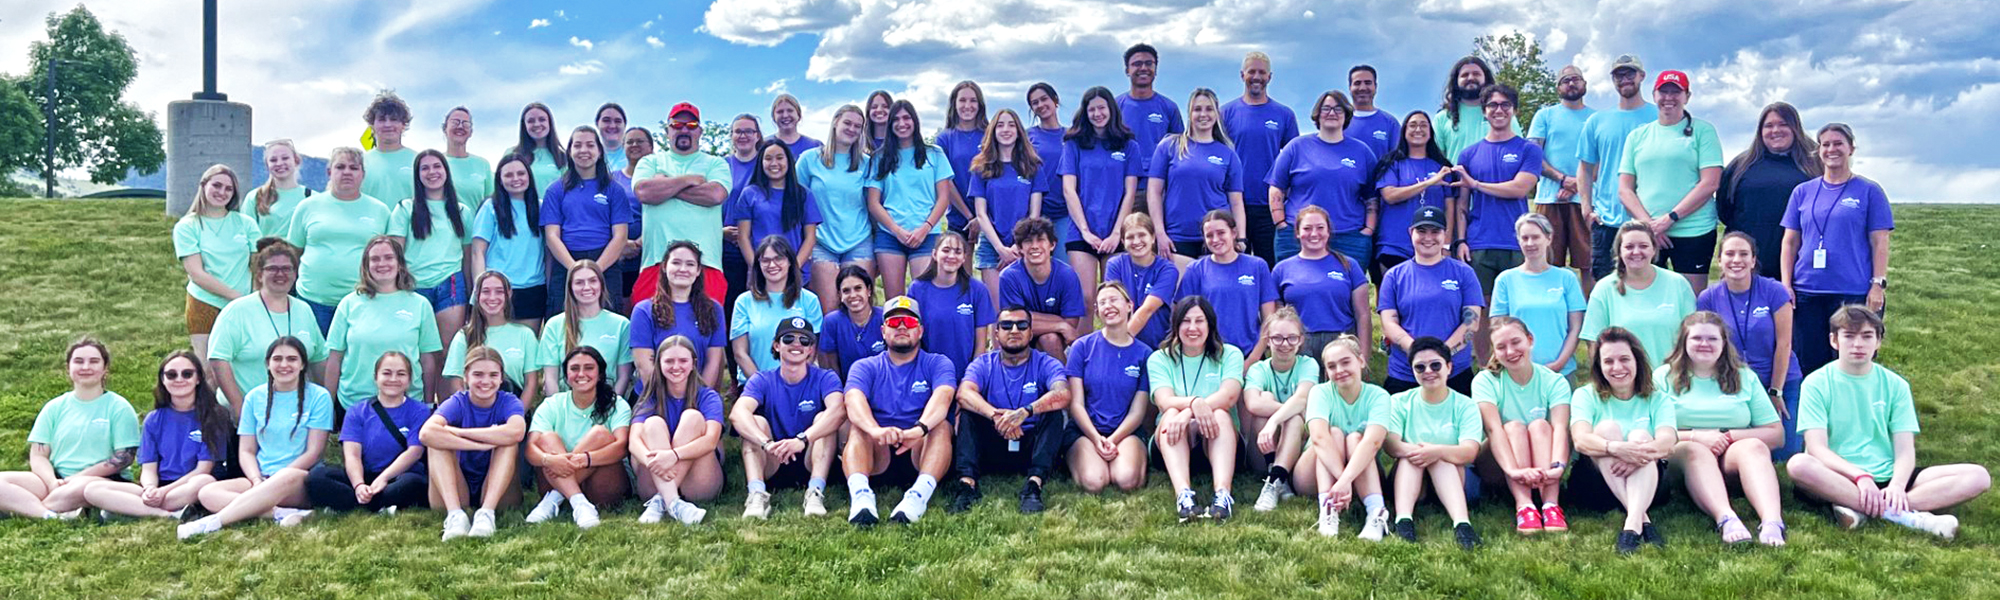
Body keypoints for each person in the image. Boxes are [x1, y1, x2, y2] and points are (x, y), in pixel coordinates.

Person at [1786, 307, 1990, 538]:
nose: (1858, 345)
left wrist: (1897, 485)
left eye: (1866, 336)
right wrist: (1859, 476)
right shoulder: (1816, 383)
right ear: (1834, 341)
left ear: (1878, 342)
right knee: (1798, 465)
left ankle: (1864, 509)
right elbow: (1817, 448)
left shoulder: (1896, 385)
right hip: (1838, 475)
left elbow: (1904, 449)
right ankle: (1910, 516)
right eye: (1849, 336)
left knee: (1978, 476)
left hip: (1887, 475)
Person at [181, 337, 333, 538]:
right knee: (207, 493)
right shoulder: (254, 397)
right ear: (268, 364)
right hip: (260, 477)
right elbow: (247, 450)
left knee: (285, 477)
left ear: (303, 364)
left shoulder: (319, 397)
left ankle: (213, 522)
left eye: (292, 359)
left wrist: (276, 479)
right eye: (277, 359)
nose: (284, 365)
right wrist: (255, 479)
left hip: (297, 478)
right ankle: (282, 514)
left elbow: (314, 452)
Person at [1657, 312, 1787, 545]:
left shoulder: (1745, 377)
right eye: (1696, 338)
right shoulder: (1662, 377)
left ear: (1724, 344)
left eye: (1712, 339)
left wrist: (1728, 436)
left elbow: (1776, 434)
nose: (1704, 344)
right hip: (1681, 455)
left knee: (1755, 446)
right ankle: (1726, 518)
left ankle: (1772, 522)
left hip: (1730, 454)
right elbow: (1651, 431)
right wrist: (1698, 436)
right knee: (1696, 450)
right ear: (1683, 342)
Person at [1782, 123, 1892, 376]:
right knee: (1810, 364)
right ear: (1818, 150)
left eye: (1838, 143)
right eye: (1826, 144)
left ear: (1851, 148)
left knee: (1853, 362)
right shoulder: (1802, 192)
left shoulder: (1869, 191)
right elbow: (1790, 242)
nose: (1832, 149)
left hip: (1852, 291)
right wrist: (1787, 285)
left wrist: (1878, 285)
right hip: (1807, 292)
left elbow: (1880, 241)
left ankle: (1854, 413)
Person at [841, 296, 959, 525]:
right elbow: (853, 401)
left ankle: (918, 497)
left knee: (942, 426)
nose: (902, 327)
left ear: (921, 331)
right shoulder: (865, 366)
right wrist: (875, 431)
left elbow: (943, 398)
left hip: (919, 448)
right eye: (894, 323)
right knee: (857, 428)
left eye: (909, 322)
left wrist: (919, 429)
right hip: (878, 448)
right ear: (884, 331)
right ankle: (861, 499)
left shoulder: (938, 363)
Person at [948, 306, 1072, 514]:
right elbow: (964, 393)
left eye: (1022, 325)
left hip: (1030, 444)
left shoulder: (1045, 363)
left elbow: (1063, 393)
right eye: (1006, 325)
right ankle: (966, 485)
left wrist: (1024, 412)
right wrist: (996, 416)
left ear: (1031, 333)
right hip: (993, 441)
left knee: (1053, 413)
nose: (1014, 330)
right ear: (996, 334)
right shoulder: (983, 363)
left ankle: (1034, 485)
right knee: (968, 413)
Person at [0, 339, 139, 519]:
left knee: (81, 490)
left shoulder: (119, 407)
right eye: (79, 361)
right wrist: (51, 482)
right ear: (68, 368)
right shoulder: (54, 407)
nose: (86, 367)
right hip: (56, 479)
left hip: (99, 481)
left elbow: (123, 458)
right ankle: (51, 514)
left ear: (105, 368)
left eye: (94, 361)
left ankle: (24, 507)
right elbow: (38, 455)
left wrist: (77, 478)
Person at [80, 351, 229, 519]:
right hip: (159, 485)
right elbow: (149, 468)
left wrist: (163, 492)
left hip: (189, 485)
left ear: (198, 379)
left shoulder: (215, 416)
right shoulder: (154, 419)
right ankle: (167, 514)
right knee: (92, 489)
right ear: (163, 380)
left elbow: (203, 469)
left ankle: (131, 508)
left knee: (204, 482)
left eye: (187, 374)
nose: (179, 379)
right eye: (171, 375)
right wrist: (150, 488)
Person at [1569, 327, 1677, 552]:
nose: (1617, 367)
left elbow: (1667, 442)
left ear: (1637, 360)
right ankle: (1642, 520)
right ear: (1599, 366)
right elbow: (1580, 440)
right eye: (1608, 361)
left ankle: (1632, 523)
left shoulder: (1658, 398)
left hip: (1649, 486)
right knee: (1607, 429)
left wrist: (1636, 453)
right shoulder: (1585, 395)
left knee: (1641, 436)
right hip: (1596, 486)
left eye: (1624, 359)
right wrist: (1617, 448)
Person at [1618, 69, 1722, 294]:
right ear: (1654, 95)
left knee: (1690, 299)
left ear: (1687, 96)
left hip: (1694, 231)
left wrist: (1670, 218)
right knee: (1646, 296)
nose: (1669, 98)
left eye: (1676, 92)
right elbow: (1625, 189)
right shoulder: (1637, 136)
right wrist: (1650, 226)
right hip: (1649, 235)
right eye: (1663, 92)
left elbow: (1710, 183)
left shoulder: (1703, 131)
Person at [1700, 232, 1803, 459]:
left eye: (1743, 254)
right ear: (1720, 260)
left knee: (1785, 453)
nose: (1737, 260)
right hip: (1734, 382)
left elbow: (1785, 344)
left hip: (1778, 379)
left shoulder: (1774, 291)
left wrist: (1776, 391)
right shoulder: (1708, 298)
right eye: (1729, 254)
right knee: (1739, 451)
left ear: (1753, 260)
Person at [1380, 337, 1486, 550]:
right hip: (1411, 478)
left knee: (1441, 457)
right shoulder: (1399, 401)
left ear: (1449, 367)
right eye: (1420, 367)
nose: (1428, 371)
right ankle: (1403, 521)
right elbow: (1391, 445)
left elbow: (1470, 452)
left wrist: (1435, 452)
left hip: (1457, 479)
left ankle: (1462, 524)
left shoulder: (1465, 404)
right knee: (1414, 457)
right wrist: (1423, 452)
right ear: (1413, 372)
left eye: (1435, 365)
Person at [734, 319, 846, 517]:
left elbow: (838, 411)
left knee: (824, 419)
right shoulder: (762, 379)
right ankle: (756, 494)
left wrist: (802, 440)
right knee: (754, 423)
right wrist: (766, 443)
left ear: (811, 349)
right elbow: (737, 414)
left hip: (811, 457)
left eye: (804, 341)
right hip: (774, 458)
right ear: (777, 345)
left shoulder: (825, 377)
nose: (796, 344)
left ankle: (815, 492)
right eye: (788, 339)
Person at [1471, 317, 1572, 535]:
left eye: (1516, 342)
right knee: (1514, 427)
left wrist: (1558, 467)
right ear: (1495, 352)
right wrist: (1513, 470)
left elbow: (1561, 428)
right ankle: (1524, 505)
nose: (1510, 351)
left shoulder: (1554, 381)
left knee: (1540, 426)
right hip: (1499, 465)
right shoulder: (1485, 381)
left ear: (1530, 340)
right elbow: (1493, 430)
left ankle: (1550, 505)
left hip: (1543, 465)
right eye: (1501, 347)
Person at [1150, 296, 1246, 521]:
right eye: (1185, 321)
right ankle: (1184, 497)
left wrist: (1189, 411)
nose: (1192, 328)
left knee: (1220, 412)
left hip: (1219, 441)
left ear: (1210, 324)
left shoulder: (1230, 354)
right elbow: (1164, 401)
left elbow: (1229, 395)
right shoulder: (1159, 358)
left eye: (1199, 321)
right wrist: (1194, 404)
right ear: (1176, 326)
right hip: (1170, 443)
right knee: (1171, 414)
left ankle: (1223, 495)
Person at [209, 239, 329, 416]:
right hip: (249, 413)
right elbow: (218, 360)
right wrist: (239, 408)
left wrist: (325, 404)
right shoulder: (236, 312)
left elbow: (318, 359)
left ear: (295, 274)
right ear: (259, 275)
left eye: (287, 268)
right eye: (272, 268)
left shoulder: (304, 310)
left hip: (295, 414)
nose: (280, 274)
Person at [325, 236, 445, 410]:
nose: (382, 264)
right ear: (366, 265)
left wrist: (427, 404)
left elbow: (428, 360)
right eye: (374, 259)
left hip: (407, 404)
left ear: (400, 263)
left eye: (389, 257)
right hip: (355, 405)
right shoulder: (349, 304)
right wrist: (329, 406)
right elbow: (335, 358)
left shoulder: (420, 305)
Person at [634, 103, 733, 310]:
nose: (684, 129)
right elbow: (644, 192)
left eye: (691, 124)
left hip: (706, 265)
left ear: (700, 131)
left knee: (705, 335)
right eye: (677, 124)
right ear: (668, 130)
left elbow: (715, 195)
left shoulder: (716, 163)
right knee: (651, 334)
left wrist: (665, 185)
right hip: (656, 263)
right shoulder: (650, 162)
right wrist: (690, 179)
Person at [304, 352, 432, 513]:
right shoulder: (357, 411)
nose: (393, 379)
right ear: (375, 377)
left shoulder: (419, 411)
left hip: (400, 475)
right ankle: (373, 502)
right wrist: (359, 485)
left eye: (401, 374)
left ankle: (354, 504)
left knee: (412, 484)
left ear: (409, 380)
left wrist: (383, 479)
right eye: (386, 373)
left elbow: (414, 452)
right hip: (366, 475)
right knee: (317, 477)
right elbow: (352, 455)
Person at [424, 346, 526, 540]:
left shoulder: (508, 401)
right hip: (456, 488)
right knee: (437, 443)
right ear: (466, 376)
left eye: (493, 375)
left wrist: (459, 433)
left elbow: (517, 431)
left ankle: (486, 513)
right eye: (478, 374)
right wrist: (479, 444)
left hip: (498, 490)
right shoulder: (458, 402)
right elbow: (427, 433)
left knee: (508, 442)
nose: (485, 381)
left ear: (501, 377)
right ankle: (455, 516)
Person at [1378, 206, 1484, 394]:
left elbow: (1472, 322)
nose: (1428, 238)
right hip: (1406, 373)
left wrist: (1441, 356)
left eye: (1435, 231)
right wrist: (1419, 355)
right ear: (1411, 233)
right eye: (1421, 231)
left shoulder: (1464, 273)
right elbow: (1389, 323)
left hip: (1454, 371)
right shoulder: (1394, 276)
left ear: (1445, 234)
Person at [523, 347, 631, 528]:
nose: (581, 374)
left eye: (589, 368)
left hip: (602, 487)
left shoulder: (617, 404)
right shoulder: (552, 404)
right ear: (566, 374)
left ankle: (556, 498)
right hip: (554, 477)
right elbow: (530, 450)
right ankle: (579, 502)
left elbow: (622, 447)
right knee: (546, 438)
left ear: (600, 374)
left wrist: (585, 459)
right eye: (574, 368)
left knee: (600, 434)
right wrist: (549, 459)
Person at [1454, 83, 1542, 306]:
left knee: (1517, 310)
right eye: (1492, 105)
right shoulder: (1468, 154)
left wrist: (1476, 183)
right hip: (1479, 243)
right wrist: (1462, 240)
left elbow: (1519, 188)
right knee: (1480, 310)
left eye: (1505, 104)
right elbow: (1462, 204)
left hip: (1516, 242)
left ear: (1515, 110)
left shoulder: (1529, 150)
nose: (1499, 110)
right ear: (1484, 111)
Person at [1063, 282, 1154, 494]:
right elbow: (1076, 404)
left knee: (1127, 480)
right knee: (1095, 481)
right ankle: (1086, 458)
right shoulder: (1082, 347)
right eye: (1102, 303)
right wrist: (1096, 438)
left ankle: (1120, 457)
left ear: (1129, 305)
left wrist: (1113, 440)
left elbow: (1138, 411)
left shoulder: (1144, 354)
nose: (1108, 306)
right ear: (1097, 312)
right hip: (1086, 431)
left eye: (1114, 300)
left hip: (1125, 431)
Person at [287, 146, 390, 331]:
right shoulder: (307, 207)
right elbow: (293, 253)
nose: (347, 172)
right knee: (314, 358)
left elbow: (389, 258)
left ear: (363, 174)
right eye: (340, 167)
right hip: (313, 300)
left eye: (353, 168)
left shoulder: (380, 211)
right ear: (329, 172)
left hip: (363, 301)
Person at [1577, 55, 1659, 285]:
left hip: (1649, 219)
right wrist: (1586, 209)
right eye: (1618, 75)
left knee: (1649, 284)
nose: (1624, 80)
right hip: (1607, 222)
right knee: (1605, 285)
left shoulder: (1659, 117)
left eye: (1629, 73)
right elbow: (1584, 168)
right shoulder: (1597, 121)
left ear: (1641, 76)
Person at [1301, 335, 1395, 538]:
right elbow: (1318, 438)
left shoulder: (1379, 396)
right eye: (1332, 366)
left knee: (1355, 438)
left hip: (1360, 472)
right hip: (1313, 472)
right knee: (1332, 433)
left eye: (1346, 362)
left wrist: (1345, 480)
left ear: (1361, 361)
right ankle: (1328, 509)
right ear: (1326, 371)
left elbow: (1374, 442)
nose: (1340, 370)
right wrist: (1344, 482)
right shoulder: (1319, 392)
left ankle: (1376, 513)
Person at [1269, 90, 1379, 263]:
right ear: (1317, 115)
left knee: (1349, 288)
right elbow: (1276, 187)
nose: (1332, 113)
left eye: (1338, 109)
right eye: (1326, 108)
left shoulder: (1362, 152)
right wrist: (1280, 223)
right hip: (1297, 235)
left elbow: (1372, 196)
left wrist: (1369, 229)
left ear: (1346, 115)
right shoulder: (1296, 147)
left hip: (1348, 236)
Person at [628, 337, 726, 526]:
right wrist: (655, 462)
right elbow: (634, 442)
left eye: (683, 361)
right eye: (669, 361)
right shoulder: (649, 397)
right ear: (659, 364)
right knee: (653, 423)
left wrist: (672, 456)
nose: (676, 367)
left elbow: (711, 441)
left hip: (698, 484)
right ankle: (672, 501)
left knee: (693, 417)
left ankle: (660, 501)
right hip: (655, 477)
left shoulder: (707, 396)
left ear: (693, 364)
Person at [1719, 103, 1820, 279]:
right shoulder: (1741, 165)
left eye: (1783, 124)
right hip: (1749, 263)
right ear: (1760, 131)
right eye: (1769, 125)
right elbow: (1724, 209)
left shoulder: (1815, 165)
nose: (1776, 130)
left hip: (1801, 263)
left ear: (1795, 128)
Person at [867, 100, 957, 299]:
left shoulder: (934, 154)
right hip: (890, 235)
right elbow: (873, 202)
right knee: (894, 302)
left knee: (925, 298)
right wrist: (897, 230)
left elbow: (943, 197)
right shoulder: (880, 157)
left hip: (926, 234)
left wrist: (925, 227)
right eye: (896, 119)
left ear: (915, 121)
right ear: (890, 125)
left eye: (906, 118)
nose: (902, 123)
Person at [1148, 88, 1246, 266]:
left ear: (1216, 114)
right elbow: (1154, 192)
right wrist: (1159, 233)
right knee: (1181, 293)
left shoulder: (1227, 153)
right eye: (1197, 109)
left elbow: (1237, 202)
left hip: (1216, 238)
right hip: (1177, 237)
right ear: (1189, 113)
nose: (1203, 114)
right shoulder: (1170, 146)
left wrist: (1240, 238)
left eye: (1209, 109)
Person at [1060, 86, 1144, 291]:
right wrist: (1085, 232)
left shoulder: (1129, 145)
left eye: (1102, 108)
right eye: (1092, 110)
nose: (1097, 114)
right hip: (1081, 232)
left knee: (1115, 296)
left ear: (1111, 110)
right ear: (1085, 113)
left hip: (1116, 231)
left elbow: (1130, 192)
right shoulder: (1074, 145)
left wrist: (1117, 233)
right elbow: (1068, 190)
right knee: (1085, 298)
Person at [541, 126, 633, 311]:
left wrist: (594, 271)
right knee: (562, 324)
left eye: (590, 145)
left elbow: (620, 236)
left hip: (605, 262)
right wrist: (575, 270)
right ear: (570, 151)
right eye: (578, 145)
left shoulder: (614, 190)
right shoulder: (555, 190)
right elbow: (551, 236)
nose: (584, 150)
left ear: (599, 152)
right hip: (566, 262)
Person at [389, 150, 473, 353]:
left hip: (450, 285)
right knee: (414, 350)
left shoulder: (462, 212)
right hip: (412, 285)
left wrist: (472, 295)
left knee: (447, 350)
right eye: (424, 168)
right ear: (417, 175)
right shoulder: (404, 209)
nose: (431, 172)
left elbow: (469, 257)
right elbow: (394, 253)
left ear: (446, 171)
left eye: (437, 166)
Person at [1222, 51, 1301, 265]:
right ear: (1242, 75)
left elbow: (1295, 159)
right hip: (1233, 203)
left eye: (1262, 72)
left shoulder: (1284, 115)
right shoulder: (1226, 113)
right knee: (1236, 266)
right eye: (1251, 72)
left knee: (1269, 265)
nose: (1256, 77)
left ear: (1270, 77)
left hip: (1268, 205)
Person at [1582, 222, 1697, 364]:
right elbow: (1593, 342)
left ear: (1654, 249)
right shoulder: (1604, 289)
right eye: (1629, 247)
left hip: (1671, 379)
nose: (1636, 252)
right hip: (1624, 381)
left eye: (1643, 246)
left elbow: (1693, 335)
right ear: (1619, 251)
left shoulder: (1678, 284)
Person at [175, 164, 257, 361]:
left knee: (242, 361)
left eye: (228, 189)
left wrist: (252, 299)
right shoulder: (187, 226)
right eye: (217, 185)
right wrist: (234, 296)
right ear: (203, 186)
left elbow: (258, 266)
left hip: (243, 305)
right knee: (208, 368)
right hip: (204, 304)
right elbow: (197, 273)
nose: (222, 192)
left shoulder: (246, 223)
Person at [1489, 213, 1587, 375]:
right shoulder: (1505, 280)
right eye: (1525, 238)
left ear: (1548, 238)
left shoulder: (1567, 278)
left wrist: (1559, 364)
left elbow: (1575, 328)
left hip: (1561, 372)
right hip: (1518, 372)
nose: (1530, 243)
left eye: (1535, 237)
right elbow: (1498, 328)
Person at [1272, 206, 1373, 362]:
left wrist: (1364, 357)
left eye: (1320, 228)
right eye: (1307, 228)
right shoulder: (1281, 269)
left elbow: (1363, 315)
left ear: (1328, 232)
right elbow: (1275, 317)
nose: (1314, 234)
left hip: (1341, 340)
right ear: (1298, 233)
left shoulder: (1349, 265)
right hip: (1299, 344)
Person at [1175, 211, 1277, 364]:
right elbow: (1182, 318)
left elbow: (1269, 319)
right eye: (1209, 235)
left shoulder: (1257, 266)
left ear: (1234, 233)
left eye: (1221, 232)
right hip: (1208, 357)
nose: (1215, 239)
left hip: (1249, 355)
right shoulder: (1195, 270)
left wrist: (1252, 360)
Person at [1244, 308, 1321, 511]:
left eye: (1291, 338)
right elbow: (1252, 403)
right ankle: (1275, 473)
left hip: (1296, 444)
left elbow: (1303, 397)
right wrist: (1282, 416)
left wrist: (1275, 420)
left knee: (1293, 419)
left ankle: (1274, 482)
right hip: (1262, 450)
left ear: (1301, 340)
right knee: (1281, 408)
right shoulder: (1258, 369)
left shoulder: (1308, 364)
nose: (1284, 344)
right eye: (1277, 338)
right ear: (1267, 340)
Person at [1525, 66, 1597, 281]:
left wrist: (1577, 185)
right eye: (1565, 80)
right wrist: (1563, 180)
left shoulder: (1596, 118)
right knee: (1545, 261)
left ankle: (1589, 313)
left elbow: (1602, 160)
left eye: (1576, 79)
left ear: (1584, 84)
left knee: (1589, 264)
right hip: (1550, 200)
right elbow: (1533, 155)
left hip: (1586, 202)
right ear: (1558, 87)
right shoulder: (1544, 116)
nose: (1571, 83)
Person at [800, 105, 875, 306]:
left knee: (858, 306)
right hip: (821, 242)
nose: (852, 129)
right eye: (847, 123)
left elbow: (874, 203)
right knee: (830, 309)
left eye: (857, 126)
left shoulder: (867, 163)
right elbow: (796, 201)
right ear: (835, 123)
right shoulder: (810, 159)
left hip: (859, 241)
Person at [971, 108, 1051, 295]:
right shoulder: (981, 167)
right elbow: (981, 213)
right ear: (993, 131)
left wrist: (1017, 246)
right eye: (1000, 125)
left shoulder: (1032, 166)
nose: (1005, 129)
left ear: (1019, 131)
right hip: (992, 245)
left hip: (1025, 245)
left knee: (1022, 309)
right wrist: (1001, 249)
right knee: (998, 313)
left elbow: (1034, 214)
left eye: (1011, 125)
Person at [470, 153, 553, 327]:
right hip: (497, 290)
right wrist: (480, 290)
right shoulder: (490, 208)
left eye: (521, 174)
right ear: (499, 179)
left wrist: (549, 288)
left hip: (532, 289)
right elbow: (478, 252)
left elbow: (548, 253)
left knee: (527, 346)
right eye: (508, 175)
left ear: (529, 176)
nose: (516, 179)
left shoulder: (541, 207)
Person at [632, 242, 728, 390]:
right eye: (676, 263)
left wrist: (698, 399)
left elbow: (713, 362)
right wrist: (666, 402)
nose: (683, 269)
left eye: (690, 264)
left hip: (698, 397)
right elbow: (644, 366)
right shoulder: (643, 311)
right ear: (664, 267)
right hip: (655, 397)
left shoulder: (714, 309)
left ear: (698, 271)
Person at [1371, 111, 1455, 281]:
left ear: (1431, 132)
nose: (1418, 129)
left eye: (1424, 125)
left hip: (1431, 245)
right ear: (1404, 131)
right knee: (1392, 301)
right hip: (1395, 244)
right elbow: (1390, 195)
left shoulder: (1442, 166)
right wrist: (1428, 183)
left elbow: (1450, 208)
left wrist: (1446, 243)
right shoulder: (1391, 163)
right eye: (1413, 125)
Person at [443, 271, 542, 405]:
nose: (492, 297)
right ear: (477, 296)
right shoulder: (464, 336)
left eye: (499, 291)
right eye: (486, 291)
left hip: (513, 412)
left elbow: (531, 384)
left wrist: (516, 416)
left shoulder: (525, 335)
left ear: (509, 294)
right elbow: (456, 383)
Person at [731, 237, 825, 379]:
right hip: (754, 385)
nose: (772, 265)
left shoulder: (809, 300)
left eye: (778, 259)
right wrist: (763, 386)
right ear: (758, 265)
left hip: (798, 383)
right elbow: (740, 353)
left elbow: (813, 350)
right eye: (765, 260)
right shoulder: (744, 302)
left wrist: (794, 381)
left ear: (789, 262)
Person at [538, 260, 633, 396]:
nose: (587, 287)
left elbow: (623, 377)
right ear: (570, 287)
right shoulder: (554, 325)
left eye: (593, 281)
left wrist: (610, 407)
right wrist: (559, 411)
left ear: (601, 284)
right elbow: (550, 379)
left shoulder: (621, 325)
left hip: (607, 402)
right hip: (566, 404)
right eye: (579, 282)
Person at [906, 232, 993, 380]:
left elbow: (981, 344)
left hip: (965, 375)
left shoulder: (977, 290)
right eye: (946, 250)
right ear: (934, 254)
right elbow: (913, 338)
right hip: (929, 375)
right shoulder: (917, 289)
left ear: (964, 257)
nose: (952, 256)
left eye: (958, 251)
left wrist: (971, 379)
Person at [732, 140, 823, 276]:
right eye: (768, 159)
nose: (774, 163)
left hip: (796, 273)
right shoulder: (749, 194)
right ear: (761, 163)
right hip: (761, 273)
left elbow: (810, 238)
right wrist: (757, 269)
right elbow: (743, 237)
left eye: (779, 158)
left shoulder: (803, 194)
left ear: (789, 161)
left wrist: (793, 269)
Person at [998, 218, 1086, 359]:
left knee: (1049, 339)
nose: (1035, 246)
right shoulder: (1009, 277)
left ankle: (1062, 380)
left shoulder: (1067, 274)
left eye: (1040, 240)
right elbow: (1016, 323)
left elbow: (1071, 324)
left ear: (1052, 245)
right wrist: (1060, 325)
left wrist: (1034, 318)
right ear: (1020, 248)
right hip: (1018, 337)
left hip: (1054, 340)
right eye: (1028, 241)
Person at [1102, 212, 1178, 348]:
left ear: (1153, 238)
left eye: (1142, 235)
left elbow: (1147, 309)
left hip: (1157, 344)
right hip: (1121, 340)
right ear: (1123, 242)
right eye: (1130, 237)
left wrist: (1121, 343)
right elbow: (1114, 305)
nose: (1136, 242)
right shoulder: (1115, 265)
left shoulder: (1167, 270)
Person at [1117, 43, 1184, 193]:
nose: (1143, 68)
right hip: (1123, 186)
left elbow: (1180, 150)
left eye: (1149, 63)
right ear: (1127, 70)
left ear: (1155, 69)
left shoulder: (1169, 108)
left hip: (1160, 187)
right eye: (1137, 64)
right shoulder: (1115, 107)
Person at [1433, 56, 1518, 160]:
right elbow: (1434, 159)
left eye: (1476, 74)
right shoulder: (1442, 118)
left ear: (1485, 78)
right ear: (1456, 81)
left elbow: (1518, 150)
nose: (1470, 78)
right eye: (1465, 75)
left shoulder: (1502, 114)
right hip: (1456, 176)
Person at [935, 81, 988, 236]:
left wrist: (981, 216)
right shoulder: (944, 139)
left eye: (973, 101)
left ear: (980, 105)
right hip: (959, 217)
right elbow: (946, 182)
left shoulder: (990, 134)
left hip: (992, 217)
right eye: (962, 100)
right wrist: (970, 217)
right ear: (954, 104)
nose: (968, 105)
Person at [1026, 83, 1075, 251]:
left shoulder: (1072, 136)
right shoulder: (1027, 137)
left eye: (1044, 99)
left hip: (1064, 212)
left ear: (1055, 100)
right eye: (1035, 102)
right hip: (1035, 212)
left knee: (1064, 267)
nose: (1040, 105)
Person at [820, 265, 885, 378]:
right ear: (840, 295)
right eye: (846, 291)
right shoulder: (832, 322)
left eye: (858, 288)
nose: (853, 295)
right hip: (848, 388)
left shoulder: (884, 317)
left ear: (868, 290)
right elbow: (829, 365)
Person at [360, 91, 416, 209]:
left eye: (394, 119)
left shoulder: (418, 161)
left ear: (403, 125)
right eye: (381, 119)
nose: (388, 124)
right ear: (372, 125)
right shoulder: (360, 163)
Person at [248, 139, 313, 237]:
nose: (279, 163)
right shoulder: (255, 197)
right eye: (273, 160)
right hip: (264, 251)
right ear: (267, 165)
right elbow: (246, 236)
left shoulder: (312, 198)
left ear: (296, 161)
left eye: (285, 158)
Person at [442, 107, 494, 210]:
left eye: (465, 124)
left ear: (471, 132)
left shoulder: (483, 165)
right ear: (445, 128)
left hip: (477, 225)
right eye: (455, 122)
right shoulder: (436, 163)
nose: (460, 126)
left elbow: (491, 204)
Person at [510, 102, 567, 193]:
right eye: (531, 121)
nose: (536, 124)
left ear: (550, 123)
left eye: (542, 119)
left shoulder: (563, 157)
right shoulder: (512, 154)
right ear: (524, 126)